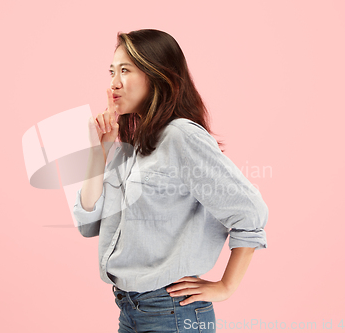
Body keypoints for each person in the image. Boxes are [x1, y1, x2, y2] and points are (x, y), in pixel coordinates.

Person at [72, 29, 269, 333]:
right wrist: (98, 153)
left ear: (158, 75)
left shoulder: (180, 136)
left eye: (125, 70)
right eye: (112, 71)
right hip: (130, 311)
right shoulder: (133, 146)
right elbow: (88, 224)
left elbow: (250, 210)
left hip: (171, 314)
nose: (114, 83)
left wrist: (227, 285)